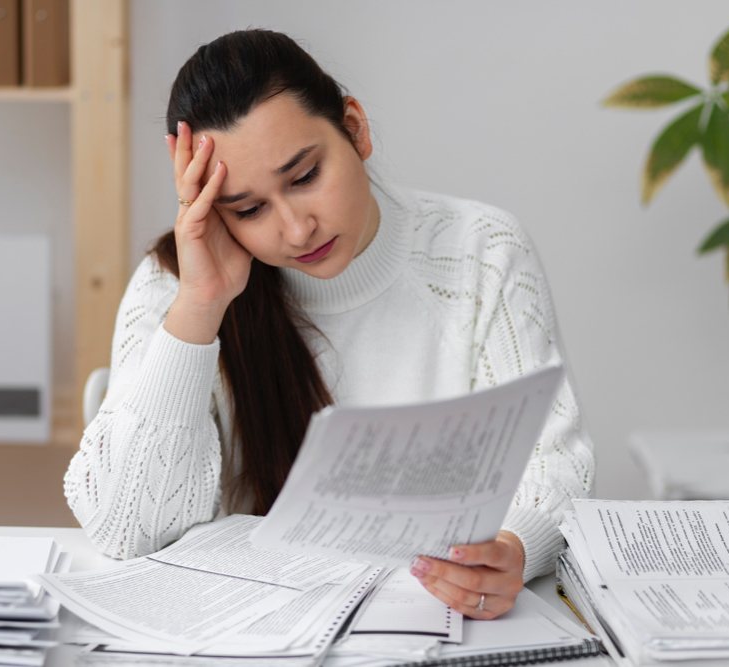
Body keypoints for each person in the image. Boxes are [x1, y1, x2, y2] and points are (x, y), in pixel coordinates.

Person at [64, 28, 594, 620]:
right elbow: (124, 529)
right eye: (250, 209)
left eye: (305, 176)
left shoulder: (482, 251)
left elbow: (556, 467)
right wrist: (200, 305)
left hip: (427, 622)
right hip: (253, 637)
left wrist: (514, 547)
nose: (296, 229)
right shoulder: (179, 283)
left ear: (355, 128)